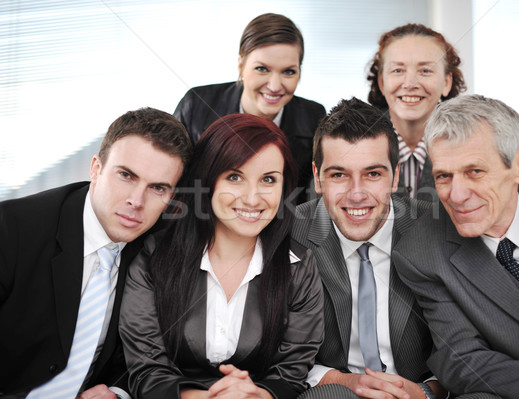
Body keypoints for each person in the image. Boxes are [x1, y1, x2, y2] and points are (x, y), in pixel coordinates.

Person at [393, 94, 519, 398]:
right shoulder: (420, 252)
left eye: (474, 171)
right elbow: (463, 360)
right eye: (443, 176)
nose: (457, 194)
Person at [119, 113, 324, 399]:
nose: (253, 198)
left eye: (268, 179)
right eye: (235, 177)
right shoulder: (154, 257)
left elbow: (291, 373)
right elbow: (146, 369)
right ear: (208, 181)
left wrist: (255, 396)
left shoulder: (298, 267)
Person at [0, 108, 192, 398]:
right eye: (126, 175)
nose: (136, 201)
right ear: (96, 168)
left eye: (158, 188)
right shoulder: (11, 231)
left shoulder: (162, 246)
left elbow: (146, 356)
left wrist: (115, 392)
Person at [291, 97, 446, 399]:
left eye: (373, 174)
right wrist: (344, 382)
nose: (357, 194)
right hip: (335, 391)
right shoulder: (290, 234)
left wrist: (426, 392)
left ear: (396, 175)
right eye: (339, 175)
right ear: (317, 177)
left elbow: (467, 343)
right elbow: (280, 350)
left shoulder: (436, 229)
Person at [174, 13, 326, 204]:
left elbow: (310, 201)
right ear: (241, 65)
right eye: (262, 69)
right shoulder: (196, 105)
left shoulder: (314, 118)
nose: (274, 86)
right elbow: (171, 181)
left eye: (288, 72)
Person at [367, 23, 466, 201]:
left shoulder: (470, 143)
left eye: (425, 71)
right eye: (398, 70)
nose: (410, 83)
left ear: (446, 82)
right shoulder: (353, 141)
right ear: (381, 82)